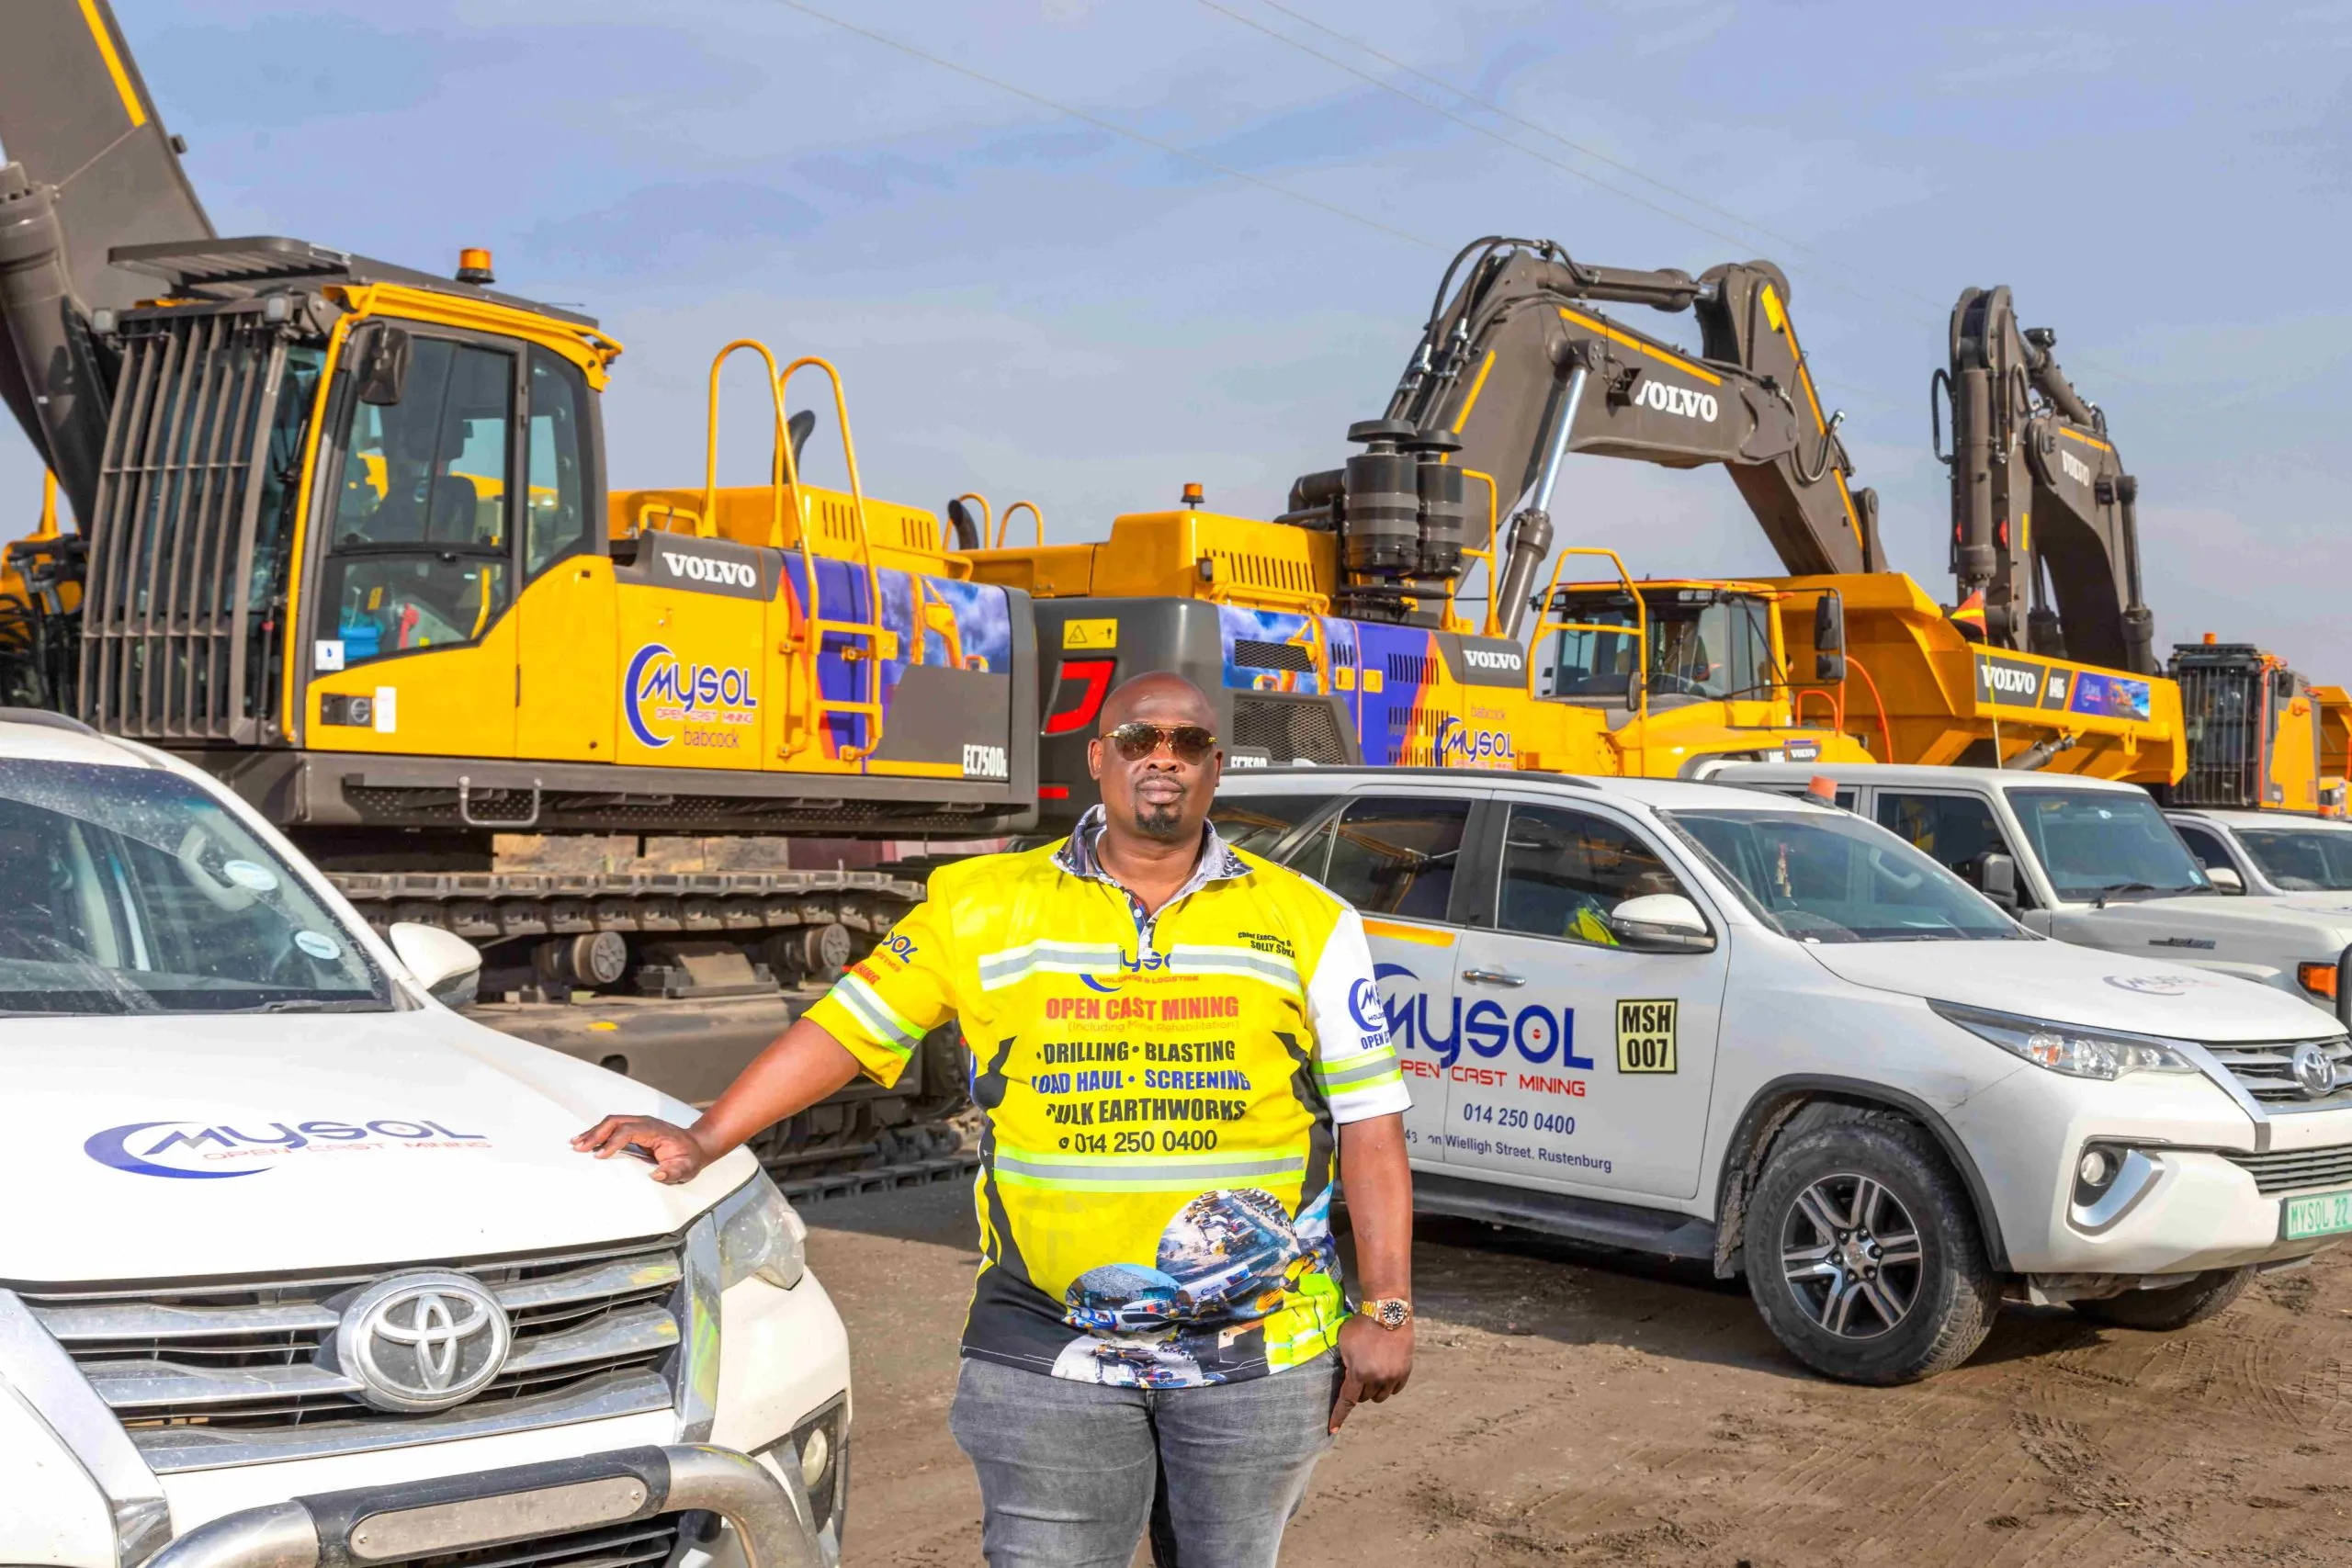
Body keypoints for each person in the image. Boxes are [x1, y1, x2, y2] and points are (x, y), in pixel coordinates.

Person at [575, 672, 1415, 1566]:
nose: (1161, 757)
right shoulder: (980, 904)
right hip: (1046, 1351)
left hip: (1258, 1354)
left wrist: (1389, 1305)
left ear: (1216, 767)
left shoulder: (1308, 922)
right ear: (1099, 758)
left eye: (1186, 742)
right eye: (1137, 738)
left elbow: (1370, 1124)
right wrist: (707, 1137)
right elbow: (849, 1029)